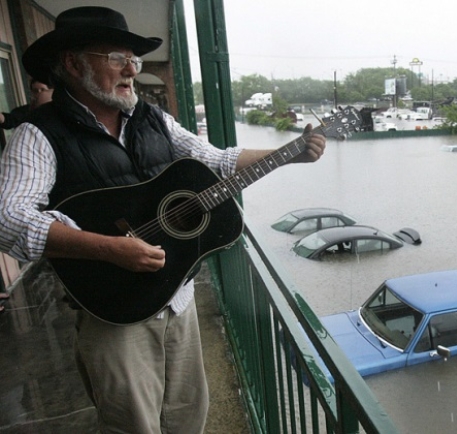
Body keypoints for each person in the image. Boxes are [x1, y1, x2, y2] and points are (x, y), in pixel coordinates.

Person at [0, 6, 325, 433]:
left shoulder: (154, 120)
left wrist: (290, 154)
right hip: (113, 313)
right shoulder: (38, 133)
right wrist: (111, 249)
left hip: (177, 297)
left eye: (133, 61)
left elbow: (217, 161)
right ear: (72, 63)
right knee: (133, 425)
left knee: (188, 416)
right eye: (117, 59)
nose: (131, 71)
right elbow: (8, 218)